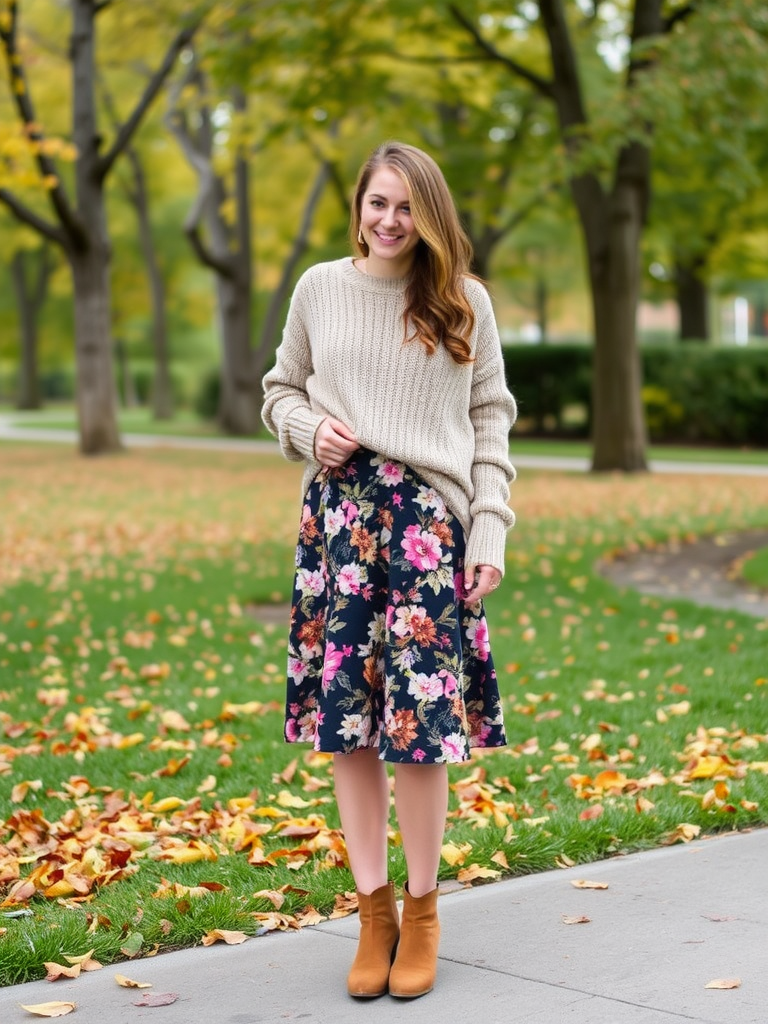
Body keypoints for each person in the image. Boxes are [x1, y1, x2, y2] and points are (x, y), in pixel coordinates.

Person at [261, 140, 516, 1000]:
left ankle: (423, 910)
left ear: (431, 214)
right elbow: (278, 388)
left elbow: (491, 427)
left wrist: (489, 534)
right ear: (358, 207)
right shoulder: (319, 289)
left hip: (424, 535)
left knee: (419, 730)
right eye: (378, 203)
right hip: (339, 531)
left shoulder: (462, 302)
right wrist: (306, 430)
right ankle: (372, 914)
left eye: (407, 206)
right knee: (350, 729)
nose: (390, 220)